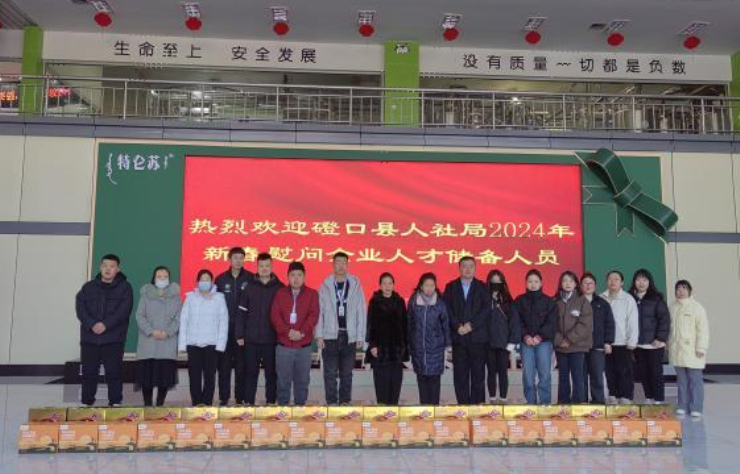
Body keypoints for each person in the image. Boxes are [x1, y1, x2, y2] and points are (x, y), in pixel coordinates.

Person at [75, 254, 134, 407]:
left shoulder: (125, 287)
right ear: (100, 267)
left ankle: (115, 403)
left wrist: (105, 325)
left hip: (113, 338)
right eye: (105, 265)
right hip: (90, 338)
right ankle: (87, 403)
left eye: (112, 266)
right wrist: (92, 324)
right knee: (88, 373)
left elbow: (124, 311)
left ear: (117, 269)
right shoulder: (88, 287)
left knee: (114, 373)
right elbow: (81, 309)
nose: (108, 269)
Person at [316, 252, 367, 405]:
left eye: (344, 262)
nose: (341, 265)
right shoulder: (325, 285)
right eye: (338, 262)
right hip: (329, 336)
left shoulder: (355, 285)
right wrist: (319, 334)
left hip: (349, 335)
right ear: (333, 264)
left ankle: (345, 403)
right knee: (330, 373)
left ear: (347, 265)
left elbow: (361, 311)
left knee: (347, 373)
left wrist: (360, 336)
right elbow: (319, 312)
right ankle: (331, 403)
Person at [236, 253, 284, 405]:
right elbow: (241, 313)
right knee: (250, 373)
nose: (264, 269)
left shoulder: (280, 288)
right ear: (257, 267)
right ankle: (249, 403)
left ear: (272, 266)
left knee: (271, 374)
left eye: (267, 266)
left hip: (272, 339)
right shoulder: (249, 287)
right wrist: (239, 334)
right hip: (251, 339)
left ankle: (271, 403)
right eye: (261, 266)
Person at [271, 261, 320, 406]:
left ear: (304, 277)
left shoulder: (312, 294)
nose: (296, 278)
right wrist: (288, 332)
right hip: (284, 345)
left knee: (302, 381)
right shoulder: (280, 293)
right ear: (288, 277)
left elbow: (313, 315)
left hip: (304, 346)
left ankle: (300, 408)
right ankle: (283, 409)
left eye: (299, 275)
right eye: (293, 275)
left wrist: (301, 333)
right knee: (283, 381)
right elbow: (275, 316)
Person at [443, 257, 490, 405]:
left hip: (478, 339)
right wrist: (457, 326)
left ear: (475, 268)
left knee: (478, 376)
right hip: (459, 339)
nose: (468, 269)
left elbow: (486, 310)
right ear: (459, 268)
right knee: (460, 377)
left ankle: (477, 408)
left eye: (471, 266)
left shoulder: (483, 287)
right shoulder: (451, 287)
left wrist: (471, 325)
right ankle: (463, 408)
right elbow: (447, 309)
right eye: (464, 266)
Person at [179, 270, 229, 406]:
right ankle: (196, 403)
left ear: (212, 282)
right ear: (197, 282)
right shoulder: (190, 298)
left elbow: (223, 322)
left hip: (212, 344)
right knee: (194, 376)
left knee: (210, 376)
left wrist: (220, 345)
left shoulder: (219, 298)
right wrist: (182, 345)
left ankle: (207, 404)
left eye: (208, 280)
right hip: (193, 343)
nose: (205, 282)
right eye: (202, 279)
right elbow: (184, 321)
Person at [135, 266, 181, 406]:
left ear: (169, 279)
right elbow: (140, 316)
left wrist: (168, 332)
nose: (162, 279)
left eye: (165, 277)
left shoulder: (176, 297)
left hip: (167, 342)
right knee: (147, 378)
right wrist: (151, 331)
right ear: (154, 279)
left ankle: (160, 405)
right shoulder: (145, 295)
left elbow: (179, 318)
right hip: (148, 342)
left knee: (164, 378)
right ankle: (147, 406)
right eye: (159, 276)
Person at [214, 247, 254, 406]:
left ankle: (239, 398)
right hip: (224, 331)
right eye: (235, 258)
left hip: (243, 331)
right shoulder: (220, 279)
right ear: (229, 260)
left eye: (241, 258)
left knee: (241, 366)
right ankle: (224, 398)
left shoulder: (251, 278)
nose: (238, 261)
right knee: (223, 366)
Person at [512, 269, 558, 405]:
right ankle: (530, 403)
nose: (533, 284)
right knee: (528, 375)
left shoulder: (549, 302)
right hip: (526, 343)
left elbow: (552, 322)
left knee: (545, 374)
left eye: (536, 281)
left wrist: (539, 337)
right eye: (530, 281)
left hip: (543, 343)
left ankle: (545, 403)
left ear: (541, 283)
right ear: (526, 283)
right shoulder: (519, 301)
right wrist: (525, 336)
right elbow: (516, 321)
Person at [365, 272, 409, 405]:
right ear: (380, 285)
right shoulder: (374, 302)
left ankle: (393, 414)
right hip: (380, 351)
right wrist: (372, 345)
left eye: (390, 283)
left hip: (396, 352)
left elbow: (405, 325)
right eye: (384, 283)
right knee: (382, 389)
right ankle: (382, 414)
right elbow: (370, 325)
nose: (387, 286)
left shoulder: (400, 301)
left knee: (395, 388)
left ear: (393, 285)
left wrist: (405, 347)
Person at [408, 273, 451, 406]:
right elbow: (409, 323)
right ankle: (424, 411)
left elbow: (446, 324)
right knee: (421, 380)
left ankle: (434, 410)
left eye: (432, 285)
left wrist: (448, 344)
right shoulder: (414, 301)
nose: (429, 288)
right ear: (421, 286)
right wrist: (409, 343)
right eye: (426, 285)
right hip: (418, 348)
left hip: (436, 349)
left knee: (434, 381)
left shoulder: (440, 303)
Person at [668, 280, 710, 418]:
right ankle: (682, 405)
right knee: (681, 381)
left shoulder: (697, 307)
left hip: (693, 351)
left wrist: (701, 347)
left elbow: (703, 330)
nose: (680, 291)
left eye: (684, 288)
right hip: (677, 350)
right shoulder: (672, 307)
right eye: (678, 288)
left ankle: (696, 407)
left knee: (695, 380)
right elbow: (670, 330)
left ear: (690, 291)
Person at [630, 269, 671, 405]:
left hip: (655, 344)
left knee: (656, 373)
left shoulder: (656, 299)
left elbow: (664, 320)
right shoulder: (630, 299)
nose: (641, 283)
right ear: (634, 282)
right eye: (638, 279)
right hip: (638, 344)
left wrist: (660, 338)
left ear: (649, 282)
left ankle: (658, 399)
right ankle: (648, 397)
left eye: (644, 280)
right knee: (643, 373)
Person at [553, 271, 593, 404]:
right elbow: (551, 324)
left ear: (576, 284)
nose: (568, 283)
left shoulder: (583, 301)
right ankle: (563, 404)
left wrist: (569, 339)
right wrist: (560, 340)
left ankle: (578, 404)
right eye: (565, 280)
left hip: (577, 346)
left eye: (571, 281)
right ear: (560, 283)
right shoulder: (555, 301)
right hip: (561, 347)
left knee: (578, 376)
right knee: (563, 376)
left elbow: (585, 324)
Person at [601, 270, 639, 404]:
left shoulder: (628, 299)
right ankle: (612, 394)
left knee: (624, 371)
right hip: (606, 342)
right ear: (606, 281)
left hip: (623, 342)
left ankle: (626, 396)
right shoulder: (601, 298)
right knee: (609, 370)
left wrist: (632, 340)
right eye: (610, 279)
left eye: (616, 279)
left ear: (622, 282)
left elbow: (633, 321)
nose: (613, 281)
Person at [484, 270, 520, 403]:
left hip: (504, 344)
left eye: (498, 282)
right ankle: (492, 398)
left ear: (503, 283)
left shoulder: (508, 300)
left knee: (503, 372)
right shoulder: (484, 299)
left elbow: (514, 322)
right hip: (488, 343)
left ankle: (503, 399)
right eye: (493, 281)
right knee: (491, 372)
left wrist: (512, 342)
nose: (496, 284)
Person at [580, 272, 615, 404]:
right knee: (580, 376)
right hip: (579, 346)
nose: (588, 286)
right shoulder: (576, 302)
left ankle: (598, 403)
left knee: (597, 376)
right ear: (581, 286)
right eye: (585, 283)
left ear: (595, 286)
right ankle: (582, 401)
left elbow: (609, 323)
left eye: (591, 283)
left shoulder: (603, 303)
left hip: (598, 345)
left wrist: (608, 342)